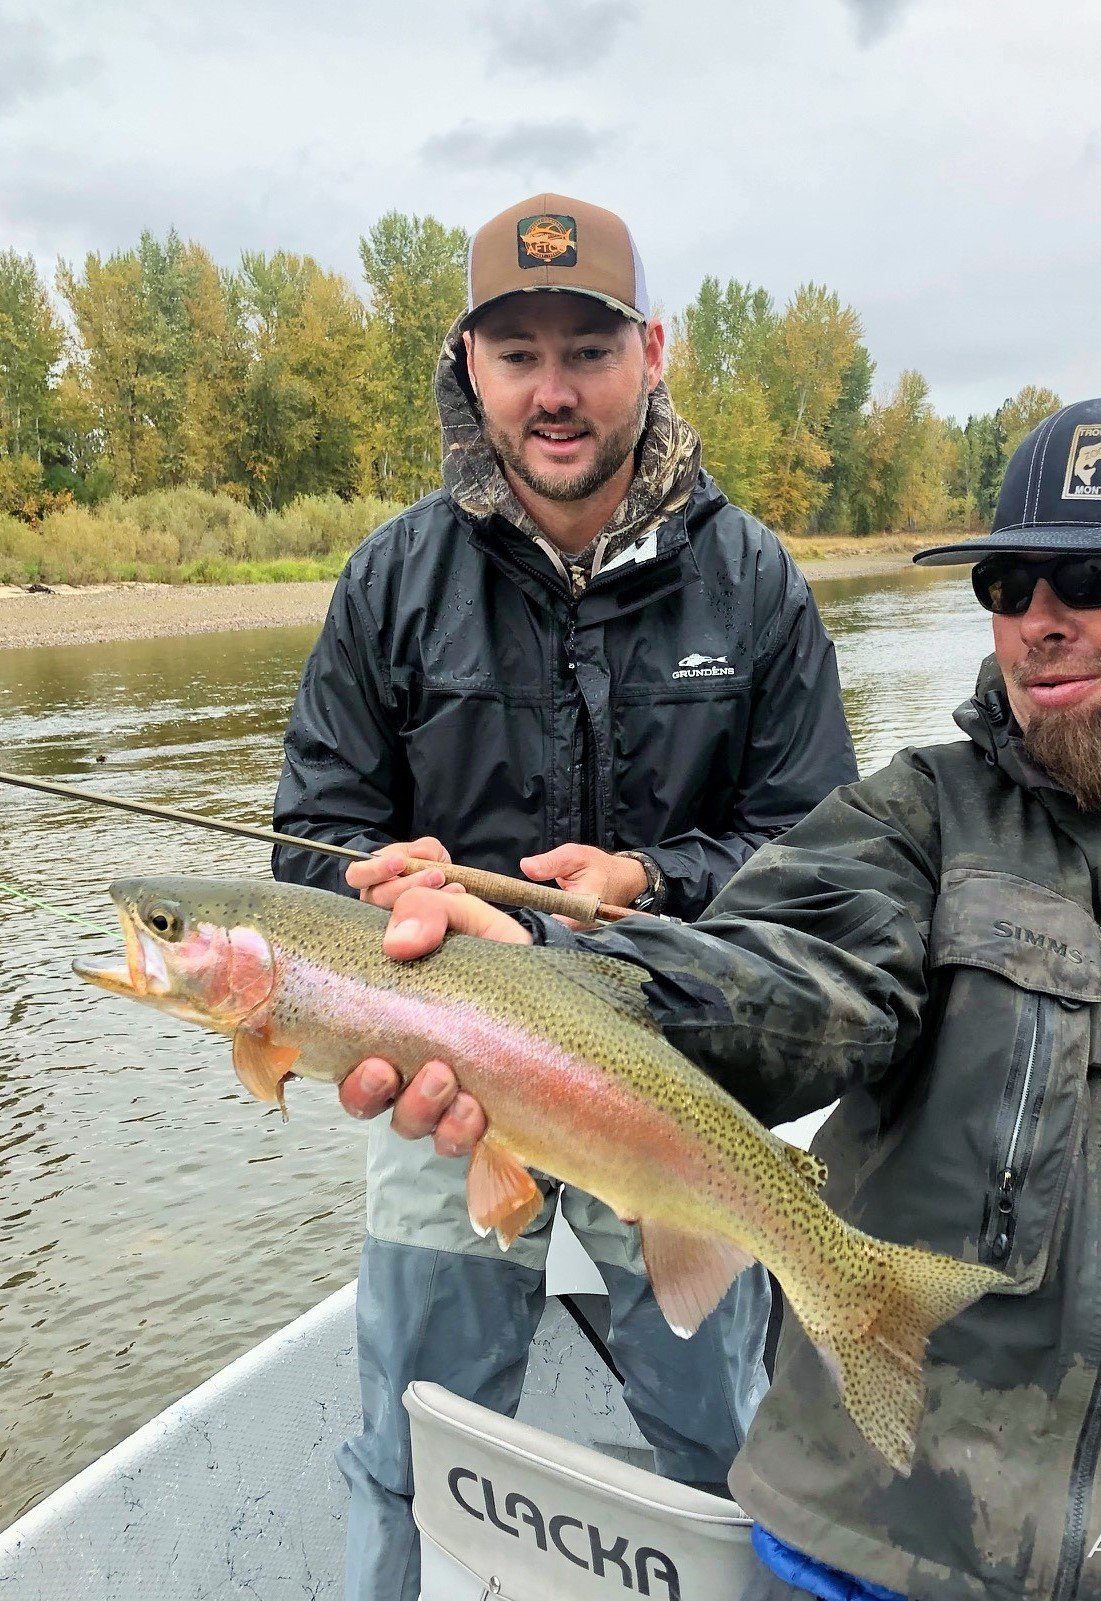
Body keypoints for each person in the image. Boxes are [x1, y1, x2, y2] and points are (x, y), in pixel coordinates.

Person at [341, 396, 1101, 1601]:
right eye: (1006, 582)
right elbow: (768, 976)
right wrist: (526, 971)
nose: (1038, 622)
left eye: (1093, 575)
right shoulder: (923, 820)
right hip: (882, 1548)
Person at [272, 191, 857, 1601]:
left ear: (651, 352)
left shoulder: (756, 584)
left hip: (664, 1073)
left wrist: (653, 882)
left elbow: (824, 859)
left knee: (723, 1440)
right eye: (518, 351)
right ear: (468, 364)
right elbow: (307, 844)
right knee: (412, 1441)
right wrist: (372, 882)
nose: (552, 389)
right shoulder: (391, 580)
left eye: (585, 349)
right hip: (440, 1078)